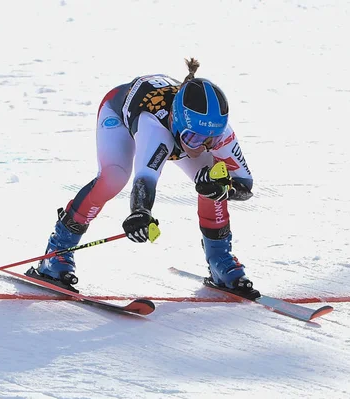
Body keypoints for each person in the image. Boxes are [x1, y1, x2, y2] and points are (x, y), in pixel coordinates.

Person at [26, 58, 255, 293]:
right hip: (119, 116)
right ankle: (56, 253)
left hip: (172, 125)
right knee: (113, 177)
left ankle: (220, 261)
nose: (203, 147)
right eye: (194, 139)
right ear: (176, 123)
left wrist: (225, 189)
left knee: (213, 180)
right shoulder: (154, 128)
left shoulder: (216, 132)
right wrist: (140, 212)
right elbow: (145, 177)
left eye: (212, 139)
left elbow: (245, 185)